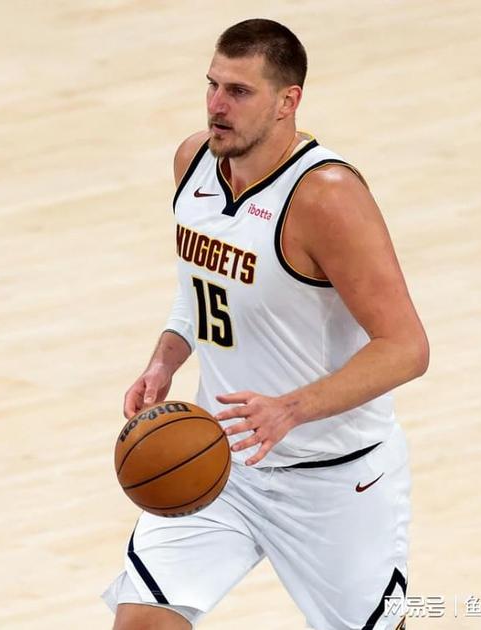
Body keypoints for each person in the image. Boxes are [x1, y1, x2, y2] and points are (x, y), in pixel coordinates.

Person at [103, 18, 429, 630]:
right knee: (141, 622)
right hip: (217, 462)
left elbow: (407, 347)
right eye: (212, 85)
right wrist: (165, 360)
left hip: (334, 480)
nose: (216, 106)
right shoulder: (193, 163)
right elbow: (202, 284)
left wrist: (290, 409)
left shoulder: (326, 196)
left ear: (287, 101)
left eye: (239, 92)